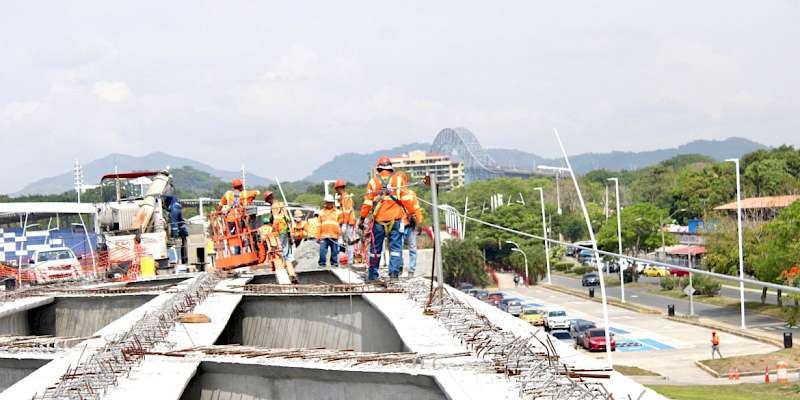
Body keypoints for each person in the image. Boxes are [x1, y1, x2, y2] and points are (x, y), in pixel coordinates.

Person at [358, 156, 409, 280]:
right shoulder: (398, 181)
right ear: (390, 168)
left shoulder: (373, 182)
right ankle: (394, 273)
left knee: (375, 249)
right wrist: (411, 215)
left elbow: (367, 203)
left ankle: (372, 275)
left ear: (379, 168)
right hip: (396, 219)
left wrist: (362, 218)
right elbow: (407, 200)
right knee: (396, 248)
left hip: (379, 221)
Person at [391, 172, 422, 277]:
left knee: (401, 248)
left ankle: (407, 270)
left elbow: (416, 209)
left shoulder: (408, 194)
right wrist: (418, 222)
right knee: (408, 248)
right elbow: (417, 209)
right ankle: (405, 269)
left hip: (406, 224)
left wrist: (418, 222)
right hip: (402, 224)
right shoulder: (394, 195)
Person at [264, 191, 293, 262]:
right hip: (285, 227)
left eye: (268, 201)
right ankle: (289, 260)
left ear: (269, 199)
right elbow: (286, 216)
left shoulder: (274, 206)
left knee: (280, 246)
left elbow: (276, 219)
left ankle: (284, 261)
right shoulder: (280, 204)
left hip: (280, 228)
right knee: (286, 245)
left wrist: (273, 230)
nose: (268, 203)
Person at [334, 179, 357, 266]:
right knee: (343, 243)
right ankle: (344, 260)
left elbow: (347, 212)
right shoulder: (342, 198)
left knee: (349, 242)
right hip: (344, 223)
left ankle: (350, 261)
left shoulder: (346, 198)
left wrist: (344, 224)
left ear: (339, 188)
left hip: (347, 223)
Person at [318, 195, 344, 268]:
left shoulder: (338, 212)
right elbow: (319, 225)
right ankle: (322, 265)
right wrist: (318, 236)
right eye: (327, 202)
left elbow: (340, 224)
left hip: (334, 236)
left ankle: (334, 265)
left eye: (330, 202)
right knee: (322, 252)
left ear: (333, 203)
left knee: (334, 253)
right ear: (325, 203)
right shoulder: (321, 212)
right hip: (324, 236)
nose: (329, 204)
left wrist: (340, 235)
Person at [163, 194, 189, 264]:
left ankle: (176, 237)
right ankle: (185, 233)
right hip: (178, 208)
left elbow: (173, 223)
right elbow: (168, 209)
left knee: (173, 223)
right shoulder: (175, 201)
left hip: (174, 208)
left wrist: (175, 236)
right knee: (180, 222)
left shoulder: (169, 198)